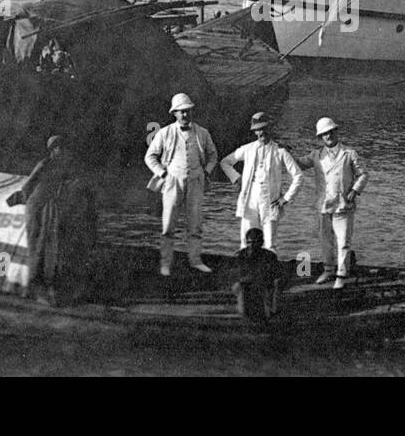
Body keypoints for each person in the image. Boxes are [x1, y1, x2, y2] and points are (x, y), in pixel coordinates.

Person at [5, 136, 98, 305]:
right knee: (38, 247)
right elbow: (28, 187)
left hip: (49, 210)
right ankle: (36, 289)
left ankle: (49, 289)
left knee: (50, 248)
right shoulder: (45, 164)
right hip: (37, 209)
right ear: (54, 150)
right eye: (60, 148)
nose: (64, 152)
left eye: (65, 148)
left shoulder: (64, 167)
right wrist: (20, 198)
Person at [144, 92, 218, 276]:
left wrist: (206, 171)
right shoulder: (164, 133)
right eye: (181, 112)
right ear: (174, 113)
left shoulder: (202, 133)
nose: (185, 115)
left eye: (187, 111)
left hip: (196, 181)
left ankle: (195, 260)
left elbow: (213, 155)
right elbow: (150, 156)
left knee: (195, 224)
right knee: (168, 224)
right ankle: (166, 264)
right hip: (172, 181)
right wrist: (162, 172)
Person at [294, 117, 368, 289]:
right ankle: (328, 270)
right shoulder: (316, 155)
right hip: (323, 205)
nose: (328, 136)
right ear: (320, 138)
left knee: (343, 241)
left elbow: (363, 174)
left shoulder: (349, 153)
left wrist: (355, 190)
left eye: (330, 132)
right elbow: (298, 164)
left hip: (343, 204)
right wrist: (285, 153)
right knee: (325, 240)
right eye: (324, 134)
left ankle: (341, 275)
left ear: (336, 132)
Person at [220, 112, 304, 252]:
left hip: (270, 199)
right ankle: (244, 269)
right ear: (254, 131)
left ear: (270, 129)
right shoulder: (247, 149)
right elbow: (225, 162)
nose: (261, 132)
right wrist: (237, 178)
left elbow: (298, 176)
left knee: (269, 244)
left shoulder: (280, 151)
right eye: (258, 129)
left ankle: (269, 270)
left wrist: (285, 198)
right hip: (250, 197)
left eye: (264, 128)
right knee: (246, 241)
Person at [232, 227, 282, 322]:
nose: (251, 245)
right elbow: (239, 277)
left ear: (262, 242)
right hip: (247, 284)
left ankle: (272, 308)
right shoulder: (242, 255)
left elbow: (274, 276)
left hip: (262, 284)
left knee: (276, 284)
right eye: (249, 242)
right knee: (239, 288)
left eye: (255, 242)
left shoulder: (270, 256)